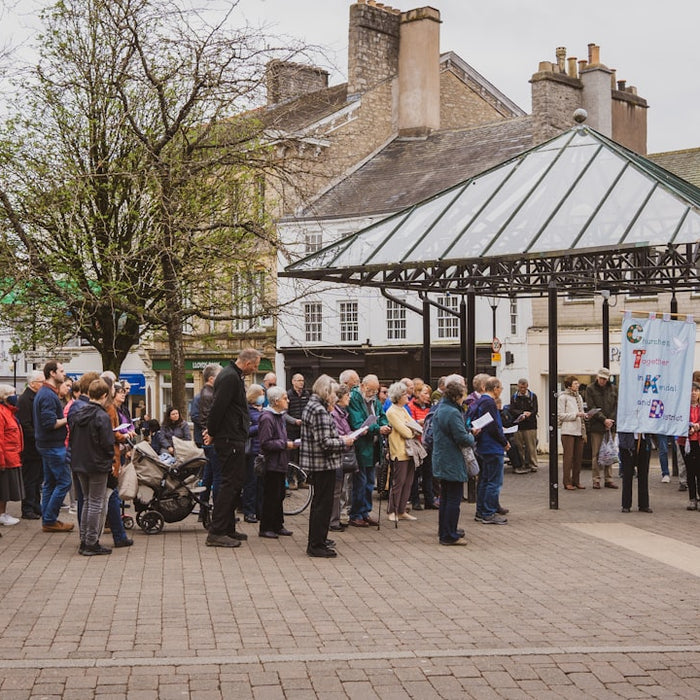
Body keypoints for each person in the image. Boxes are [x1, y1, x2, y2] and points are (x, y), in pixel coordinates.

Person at [206, 348, 262, 548]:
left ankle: (227, 527)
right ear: (247, 363)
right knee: (230, 484)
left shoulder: (233, 376)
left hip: (233, 436)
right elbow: (218, 406)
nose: (254, 369)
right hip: (229, 438)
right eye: (255, 366)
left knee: (235, 482)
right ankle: (217, 531)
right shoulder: (230, 377)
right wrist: (211, 432)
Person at [300, 375, 354, 558]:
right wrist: (344, 441)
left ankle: (319, 540)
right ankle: (316, 544)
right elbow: (324, 442)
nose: (335, 396)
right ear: (326, 391)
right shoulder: (319, 410)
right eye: (333, 393)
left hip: (319, 462)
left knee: (320, 504)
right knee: (322, 505)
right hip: (323, 463)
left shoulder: (314, 406)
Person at [68, 379, 115, 555]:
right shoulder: (101, 416)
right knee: (96, 502)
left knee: (87, 500)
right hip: (97, 463)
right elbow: (107, 443)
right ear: (104, 395)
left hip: (80, 462)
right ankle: (91, 542)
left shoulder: (79, 413)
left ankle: (84, 539)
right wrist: (110, 459)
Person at [431, 375, 476, 545]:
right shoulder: (452, 412)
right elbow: (462, 438)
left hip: (442, 458)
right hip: (452, 459)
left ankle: (445, 530)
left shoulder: (441, 409)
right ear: (457, 397)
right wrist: (472, 436)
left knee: (446, 497)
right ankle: (449, 535)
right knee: (453, 499)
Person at [33, 360, 74, 533]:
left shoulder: (45, 393)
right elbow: (49, 423)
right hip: (53, 446)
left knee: (50, 482)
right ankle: (49, 519)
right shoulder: (48, 396)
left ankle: (48, 519)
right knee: (65, 482)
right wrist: (69, 417)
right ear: (52, 373)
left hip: (47, 444)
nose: (63, 374)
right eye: (61, 371)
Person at [347, 374, 391, 527]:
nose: (373, 393)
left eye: (375, 390)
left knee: (370, 482)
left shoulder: (374, 401)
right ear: (363, 386)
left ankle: (365, 512)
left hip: (373, 446)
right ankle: (355, 513)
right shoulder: (354, 399)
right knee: (361, 482)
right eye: (371, 390)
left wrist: (385, 425)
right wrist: (378, 428)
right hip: (360, 446)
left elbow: (382, 416)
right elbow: (357, 422)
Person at [257, 386, 294, 538]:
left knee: (279, 495)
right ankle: (266, 527)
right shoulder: (267, 418)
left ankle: (278, 524)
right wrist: (285, 444)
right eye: (285, 398)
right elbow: (265, 443)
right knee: (271, 496)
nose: (288, 401)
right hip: (271, 463)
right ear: (276, 401)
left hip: (280, 462)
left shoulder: (279, 416)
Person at [472, 376, 509, 524]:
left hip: (483, 446)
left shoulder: (480, 401)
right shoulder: (489, 402)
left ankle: (481, 511)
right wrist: (504, 442)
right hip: (492, 447)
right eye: (500, 388)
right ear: (495, 389)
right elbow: (492, 426)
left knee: (484, 480)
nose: (500, 391)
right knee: (494, 481)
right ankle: (488, 512)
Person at [386, 382, 423, 522]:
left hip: (410, 451)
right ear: (397, 396)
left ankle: (401, 510)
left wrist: (413, 427)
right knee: (398, 482)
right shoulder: (392, 412)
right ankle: (392, 510)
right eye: (404, 394)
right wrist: (413, 429)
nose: (407, 395)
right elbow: (407, 432)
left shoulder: (403, 410)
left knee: (408, 482)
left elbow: (412, 425)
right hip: (399, 451)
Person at [192, 363, 222, 511]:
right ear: (211, 378)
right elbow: (204, 417)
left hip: (208, 440)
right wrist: (208, 432)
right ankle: (218, 511)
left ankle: (203, 510)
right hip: (211, 441)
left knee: (209, 476)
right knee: (217, 476)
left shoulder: (207, 393)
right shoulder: (209, 395)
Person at [17, 370, 44, 520]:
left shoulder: (34, 398)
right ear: (33, 383)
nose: (43, 384)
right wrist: (38, 437)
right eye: (41, 382)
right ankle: (27, 508)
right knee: (30, 479)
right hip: (30, 448)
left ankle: (35, 506)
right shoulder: (25, 399)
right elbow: (25, 425)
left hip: (36, 447)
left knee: (37, 478)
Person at [585, 367, 618, 489]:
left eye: (605, 379)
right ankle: (596, 479)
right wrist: (604, 419)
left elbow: (616, 406)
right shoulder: (590, 389)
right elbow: (591, 407)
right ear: (597, 377)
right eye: (601, 378)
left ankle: (609, 479)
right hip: (597, 426)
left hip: (610, 425)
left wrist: (610, 420)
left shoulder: (613, 389)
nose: (602, 381)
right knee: (596, 453)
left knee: (609, 452)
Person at [330, 385, 354, 532]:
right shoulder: (334, 414)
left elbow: (346, 430)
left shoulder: (343, 413)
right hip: (337, 454)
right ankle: (333, 521)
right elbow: (338, 433)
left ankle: (336, 518)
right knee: (336, 491)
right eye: (347, 396)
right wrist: (346, 438)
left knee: (341, 488)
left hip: (343, 452)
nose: (349, 398)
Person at [409, 383, 436, 510]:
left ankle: (429, 499)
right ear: (417, 393)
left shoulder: (430, 408)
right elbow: (409, 423)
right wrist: (419, 422)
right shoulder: (411, 406)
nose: (427, 396)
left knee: (428, 473)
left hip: (428, 444)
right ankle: (415, 500)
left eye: (428, 393)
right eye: (425, 393)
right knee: (415, 474)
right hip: (417, 443)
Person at [0, 384, 24, 526]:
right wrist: (2, 460)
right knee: (3, 487)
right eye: (12, 393)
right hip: (6, 456)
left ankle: (3, 512)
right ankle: (1, 514)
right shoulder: (2, 413)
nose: (15, 396)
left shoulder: (9, 412)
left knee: (6, 487)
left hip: (12, 455)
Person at [558, 376, 587, 491]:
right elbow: (561, 415)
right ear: (569, 385)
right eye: (575, 383)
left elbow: (581, 412)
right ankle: (567, 481)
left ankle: (576, 480)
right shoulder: (563, 397)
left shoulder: (579, 396)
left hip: (579, 430)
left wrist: (584, 415)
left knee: (578, 458)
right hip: (568, 431)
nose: (577, 385)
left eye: (577, 383)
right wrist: (576, 414)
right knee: (568, 458)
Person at [242, 384, 265, 524]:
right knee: (251, 482)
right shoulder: (248, 412)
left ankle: (259, 511)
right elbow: (247, 431)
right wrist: (261, 425)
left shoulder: (262, 410)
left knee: (261, 484)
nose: (264, 396)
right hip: (252, 451)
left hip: (261, 450)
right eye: (261, 393)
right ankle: (248, 511)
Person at [678, 382, 700, 510]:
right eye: (691, 390)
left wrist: (697, 427)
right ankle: (692, 499)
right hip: (685, 442)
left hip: (698, 441)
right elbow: (677, 421)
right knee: (690, 471)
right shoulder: (682, 408)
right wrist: (687, 428)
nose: (694, 393)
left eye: (696, 390)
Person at [510, 378, 539, 474]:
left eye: (524, 387)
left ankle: (533, 464)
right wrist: (522, 413)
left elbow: (535, 410)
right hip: (518, 425)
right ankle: (522, 464)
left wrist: (529, 414)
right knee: (519, 446)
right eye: (521, 387)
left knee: (531, 446)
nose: (522, 389)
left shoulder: (532, 396)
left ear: (527, 386)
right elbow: (512, 410)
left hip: (530, 425)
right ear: (518, 386)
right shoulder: (514, 397)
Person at [619, 432, 653, 513]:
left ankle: (644, 504)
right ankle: (626, 505)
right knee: (627, 474)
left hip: (644, 441)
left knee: (643, 474)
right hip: (628, 443)